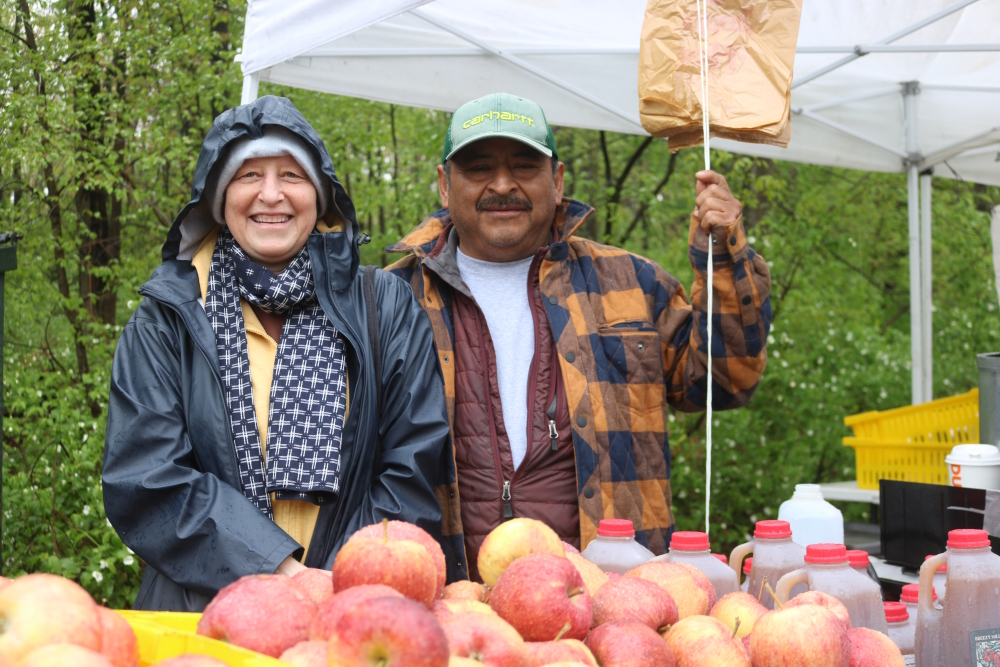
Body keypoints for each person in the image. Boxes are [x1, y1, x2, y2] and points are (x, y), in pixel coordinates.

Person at [386, 93, 771, 583]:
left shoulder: (630, 282)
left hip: (612, 603)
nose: (502, 184)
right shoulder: (393, 298)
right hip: (450, 602)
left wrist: (723, 258)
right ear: (444, 185)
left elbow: (726, 380)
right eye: (479, 167)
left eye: (525, 165)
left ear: (558, 179)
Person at [103, 96, 450, 610]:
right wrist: (280, 574)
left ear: (320, 194)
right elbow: (146, 479)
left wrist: (339, 587)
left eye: (292, 175)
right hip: (202, 611)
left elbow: (413, 468)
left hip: (354, 608)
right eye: (247, 176)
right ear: (219, 199)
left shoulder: (385, 305)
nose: (271, 195)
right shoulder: (167, 318)